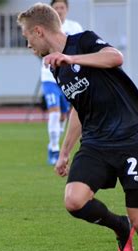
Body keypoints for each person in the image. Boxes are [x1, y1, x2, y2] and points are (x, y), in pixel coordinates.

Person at [17, 3, 138, 251]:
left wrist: (71, 57)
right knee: (74, 200)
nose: (28, 44)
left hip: (132, 137)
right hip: (96, 142)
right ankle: (119, 227)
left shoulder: (83, 41)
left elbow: (115, 57)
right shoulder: (56, 68)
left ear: (39, 31)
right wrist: (65, 151)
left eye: (28, 37)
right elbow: (80, 107)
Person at [42, 0, 82, 165]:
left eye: (62, 7)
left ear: (67, 9)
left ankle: (56, 141)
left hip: (67, 78)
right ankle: (53, 147)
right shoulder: (44, 28)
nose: (59, 10)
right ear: (52, 10)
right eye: (56, 8)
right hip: (49, 77)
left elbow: (80, 49)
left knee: (64, 115)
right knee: (54, 111)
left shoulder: (74, 27)